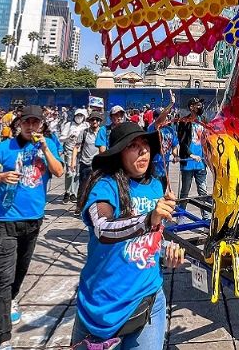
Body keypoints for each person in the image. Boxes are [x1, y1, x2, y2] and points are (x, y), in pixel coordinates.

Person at [71, 122, 185, 349]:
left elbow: (152, 238)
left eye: (146, 145)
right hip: (102, 304)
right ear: (118, 153)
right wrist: (147, 219)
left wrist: (166, 252)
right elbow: (102, 227)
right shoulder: (104, 186)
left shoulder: (155, 186)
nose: (143, 150)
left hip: (147, 298)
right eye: (133, 146)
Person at [0, 105, 64, 350]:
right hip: (5, 221)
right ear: (19, 124)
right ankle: (3, 338)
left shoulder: (48, 146)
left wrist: (46, 148)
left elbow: (59, 172)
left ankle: (12, 300)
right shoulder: (2, 148)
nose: (30, 126)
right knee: (3, 278)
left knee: (21, 270)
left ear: (42, 126)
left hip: (34, 220)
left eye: (36, 122)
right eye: (26, 122)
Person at [176, 98, 208, 207]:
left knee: (203, 192)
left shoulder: (204, 120)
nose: (200, 107)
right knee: (185, 191)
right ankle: (181, 216)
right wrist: (191, 154)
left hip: (201, 163)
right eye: (198, 105)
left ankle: (206, 217)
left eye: (201, 104)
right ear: (191, 107)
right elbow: (182, 141)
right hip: (188, 162)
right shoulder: (183, 121)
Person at [59, 109, 89, 204]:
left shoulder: (86, 126)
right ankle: (67, 191)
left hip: (81, 151)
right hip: (69, 150)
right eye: (77, 115)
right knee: (69, 172)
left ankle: (74, 193)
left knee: (77, 173)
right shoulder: (69, 125)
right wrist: (68, 138)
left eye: (81, 115)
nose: (79, 117)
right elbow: (61, 138)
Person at [72, 113, 103, 199]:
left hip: (98, 165)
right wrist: (73, 162)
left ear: (100, 121)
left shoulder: (102, 133)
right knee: (83, 187)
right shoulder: (84, 132)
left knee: (96, 187)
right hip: (85, 164)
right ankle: (79, 207)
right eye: (92, 120)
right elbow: (76, 147)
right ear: (89, 121)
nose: (94, 121)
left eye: (97, 119)